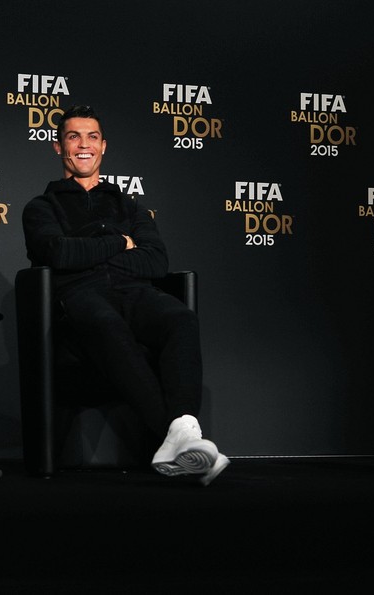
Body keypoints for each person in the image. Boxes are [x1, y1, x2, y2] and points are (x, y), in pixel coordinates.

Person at [21, 105, 228, 485]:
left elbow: (156, 262)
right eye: (73, 137)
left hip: (135, 293)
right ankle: (180, 438)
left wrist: (92, 253)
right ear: (58, 148)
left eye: (92, 137)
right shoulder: (41, 207)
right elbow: (57, 253)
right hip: (80, 297)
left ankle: (179, 439)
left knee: (180, 317)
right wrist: (119, 242)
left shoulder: (129, 205)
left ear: (103, 147)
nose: (84, 145)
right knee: (105, 322)